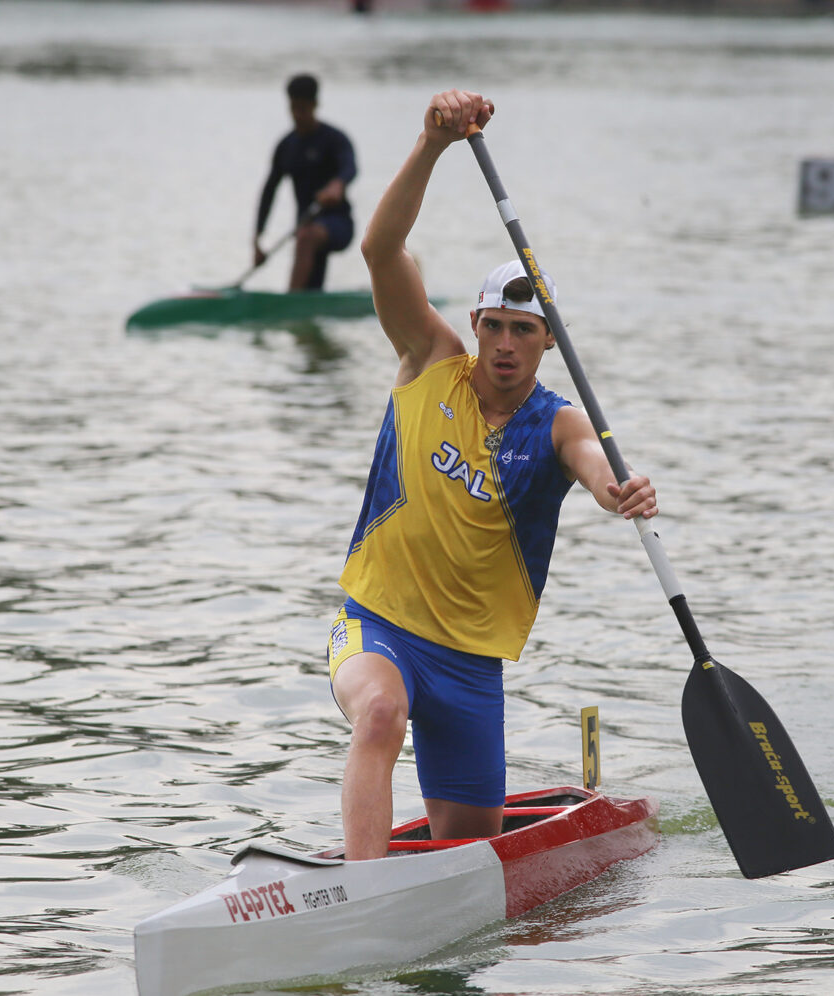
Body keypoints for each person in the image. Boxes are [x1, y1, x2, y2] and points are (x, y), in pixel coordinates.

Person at [326, 88, 658, 861]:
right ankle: (360, 893)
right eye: (495, 327)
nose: (506, 344)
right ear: (474, 327)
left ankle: (408, 887)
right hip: (378, 624)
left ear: (547, 343)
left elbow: (599, 472)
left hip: (471, 664)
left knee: (470, 851)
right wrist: (432, 142)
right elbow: (380, 251)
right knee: (379, 714)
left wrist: (623, 493)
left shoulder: (561, 423)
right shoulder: (428, 360)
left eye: (525, 331)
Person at [252, 74, 357, 291]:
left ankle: (289, 303)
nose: (298, 114)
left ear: (315, 104)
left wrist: (338, 184)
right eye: (293, 108)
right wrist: (258, 238)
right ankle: (307, 310)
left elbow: (351, 167)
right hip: (306, 224)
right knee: (311, 285)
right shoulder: (286, 146)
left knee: (306, 238)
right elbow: (269, 192)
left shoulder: (334, 139)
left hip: (338, 224)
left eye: (303, 108)